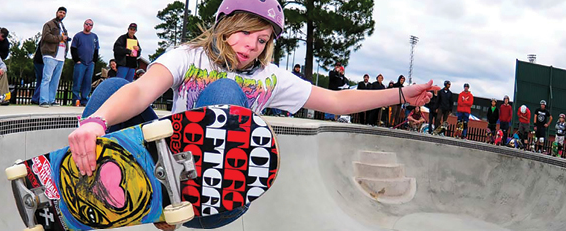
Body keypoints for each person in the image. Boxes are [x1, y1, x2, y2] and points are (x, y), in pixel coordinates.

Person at [65, 0, 440, 228]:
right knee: (112, 89)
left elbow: (337, 102)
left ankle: (181, 201)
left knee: (225, 93)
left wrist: (403, 94)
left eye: (262, 41)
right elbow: (140, 90)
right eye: (246, 34)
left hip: (218, 195)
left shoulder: (269, 77)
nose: (251, 47)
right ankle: (81, 182)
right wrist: (96, 121)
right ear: (226, 27)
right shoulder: (188, 56)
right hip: (164, 173)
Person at [38, 7, 69, 107]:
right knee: (46, 78)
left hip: (61, 56)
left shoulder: (63, 26)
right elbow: (46, 36)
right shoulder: (49, 24)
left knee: (55, 80)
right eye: (60, 12)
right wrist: (61, 38)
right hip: (50, 55)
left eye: (64, 13)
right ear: (56, 13)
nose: (62, 14)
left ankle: (51, 100)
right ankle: (43, 100)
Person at [71, 19, 100, 106]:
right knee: (77, 81)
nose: (88, 26)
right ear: (84, 25)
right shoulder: (78, 36)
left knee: (87, 82)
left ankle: (84, 100)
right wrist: (77, 60)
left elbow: (96, 49)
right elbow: (73, 48)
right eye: (87, 24)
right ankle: (75, 99)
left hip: (90, 63)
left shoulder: (94, 37)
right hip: (80, 63)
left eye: (90, 25)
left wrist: (94, 61)